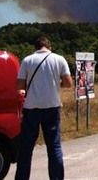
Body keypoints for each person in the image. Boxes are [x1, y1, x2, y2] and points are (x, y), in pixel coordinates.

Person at [15, 36, 73, 180]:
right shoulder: (59, 59)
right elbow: (68, 83)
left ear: (36, 47)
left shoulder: (27, 60)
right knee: (54, 147)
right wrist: (55, 84)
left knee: (26, 149)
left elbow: (19, 85)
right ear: (49, 46)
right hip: (52, 107)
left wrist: (28, 88)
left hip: (31, 108)